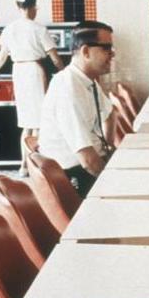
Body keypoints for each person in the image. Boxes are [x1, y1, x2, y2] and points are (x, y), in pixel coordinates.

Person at [0, 0, 63, 173]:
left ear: (18, 7)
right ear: (33, 7)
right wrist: (65, 73)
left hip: (18, 72)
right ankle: (38, 165)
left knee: (26, 123)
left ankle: (23, 166)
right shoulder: (39, 29)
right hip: (35, 70)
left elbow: (2, 56)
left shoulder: (10, 29)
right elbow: (55, 58)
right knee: (40, 122)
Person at [38, 20, 116, 196]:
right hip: (73, 176)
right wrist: (113, 184)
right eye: (106, 48)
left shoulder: (86, 80)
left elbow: (111, 113)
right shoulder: (68, 88)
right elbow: (87, 160)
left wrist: (109, 148)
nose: (112, 54)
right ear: (86, 51)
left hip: (90, 163)